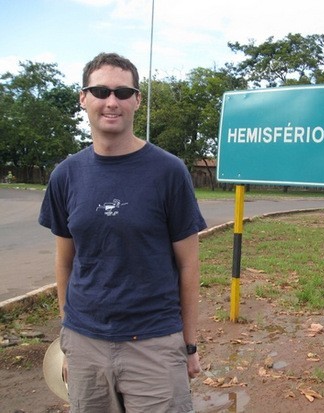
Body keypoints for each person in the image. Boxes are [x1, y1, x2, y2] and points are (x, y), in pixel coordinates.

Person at [39, 52, 207, 412]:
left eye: (122, 92)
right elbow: (64, 261)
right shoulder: (65, 176)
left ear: (137, 100)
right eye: (100, 91)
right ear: (83, 98)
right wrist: (69, 338)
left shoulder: (169, 172)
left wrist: (189, 346)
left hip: (155, 343)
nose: (111, 101)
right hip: (86, 344)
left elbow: (189, 266)